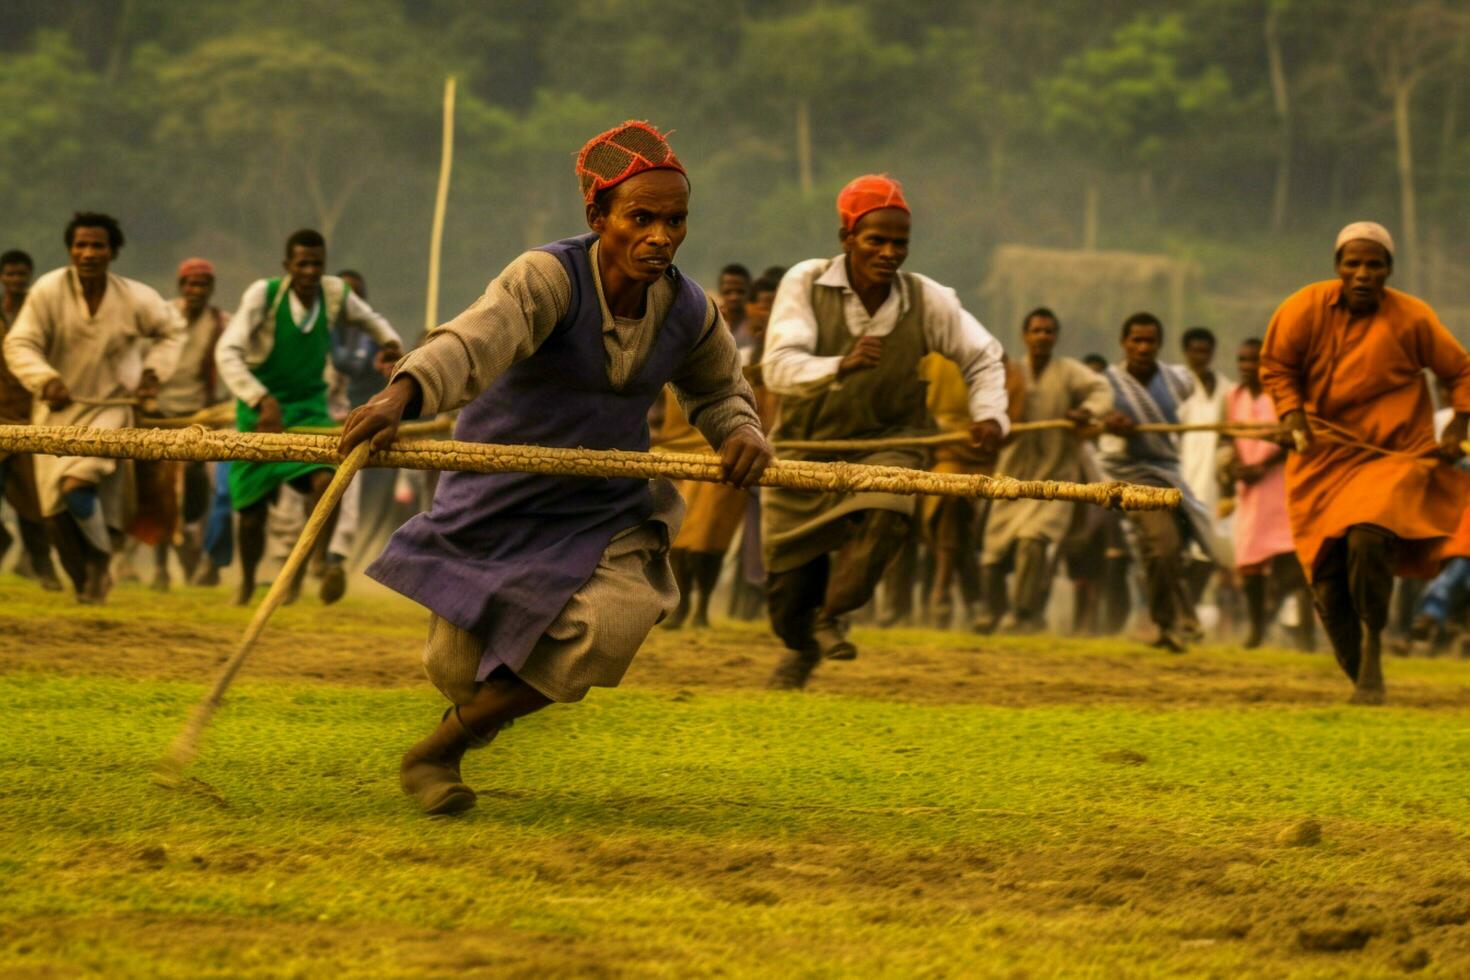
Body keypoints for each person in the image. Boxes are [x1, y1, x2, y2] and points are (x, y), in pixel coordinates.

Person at [339, 120, 770, 816]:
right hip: (496, 498)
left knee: (617, 622)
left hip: (604, 508)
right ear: (599, 218)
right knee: (456, 669)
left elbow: (719, 390)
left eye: (675, 220)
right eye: (642, 218)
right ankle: (469, 716)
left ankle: (439, 750)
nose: (661, 236)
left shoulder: (689, 310)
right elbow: (473, 341)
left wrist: (742, 433)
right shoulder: (546, 278)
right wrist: (401, 395)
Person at [760, 173, 1009, 688]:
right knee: (787, 596)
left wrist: (990, 416)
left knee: (889, 505)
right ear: (847, 238)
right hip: (806, 449)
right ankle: (803, 642)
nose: (890, 252)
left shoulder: (928, 299)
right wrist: (839, 366)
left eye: (900, 243)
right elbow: (779, 366)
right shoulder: (805, 283)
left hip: (891, 443)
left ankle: (833, 615)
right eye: (877, 240)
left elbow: (983, 356)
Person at [1261, 221, 1470, 703]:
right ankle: (1361, 675)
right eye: (1352, 264)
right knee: (1327, 579)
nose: (1362, 274)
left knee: (1368, 536)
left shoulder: (1414, 318)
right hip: (1322, 456)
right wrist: (1291, 415)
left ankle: (1375, 644)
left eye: (1373, 265)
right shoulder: (1303, 308)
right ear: (1338, 267)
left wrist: (1458, 428)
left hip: (1394, 455)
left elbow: (1460, 370)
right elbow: (1277, 367)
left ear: (1388, 271)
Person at [2, 213, 185, 602]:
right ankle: (86, 584)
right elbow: (20, 344)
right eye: (81, 245)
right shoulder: (48, 291)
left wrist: (153, 373)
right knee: (53, 512)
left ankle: (101, 562)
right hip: (54, 413)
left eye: (97, 245)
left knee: (76, 486)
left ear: (112, 251)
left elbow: (172, 330)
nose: (88, 253)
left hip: (110, 409)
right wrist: (45, 379)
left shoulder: (134, 296)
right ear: (70, 249)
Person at [216, 229, 402, 606]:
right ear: (288, 266)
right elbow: (226, 352)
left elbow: (372, 320)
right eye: (302, 263)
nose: (309, 271)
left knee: (324, 480)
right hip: (260, 411)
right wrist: (260, 398)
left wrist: (390, 344)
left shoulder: (334, 294)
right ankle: (249, 581)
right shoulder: (263, 295)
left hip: (309, 406)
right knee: (250, 514)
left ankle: (310, 567)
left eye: (316, 263)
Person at [979, 308, 1112, 633]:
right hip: (1011, 476)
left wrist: (1086, 412)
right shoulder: (1011, 372)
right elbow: (983, 400)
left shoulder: (1068, 372)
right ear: (1025, 335)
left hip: (1055, 478)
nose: (1042, 337)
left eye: (1049, 331)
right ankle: (990, 613)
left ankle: (1024, 614)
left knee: (1033, 540)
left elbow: (1102, 391)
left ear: (1056, 337)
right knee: (994, 549)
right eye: (1036, 331)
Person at [1098, 312, 1222, 651]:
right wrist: (1106, 420)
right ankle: (1180, 620)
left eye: (1149, 341)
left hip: (1171, 475)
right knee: (1164, 544)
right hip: (1130, 477)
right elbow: (1090, 418)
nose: (1142, 347)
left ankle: (1163, 626)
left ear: (1159, 344)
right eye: (1135, 340)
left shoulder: (1178, 380)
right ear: (1124, 343)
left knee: (1166, 553)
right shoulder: (1107, 383)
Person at [129, 257, 229, 591]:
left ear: (211, 289)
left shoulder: (221, 324)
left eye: (202, 284)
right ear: (181, 286)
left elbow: (230, 365)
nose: (196, 290)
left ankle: (189, 542)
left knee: (198, 485)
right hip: (158, 416)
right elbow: (138, 357)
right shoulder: (161, 318)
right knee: (159, 491)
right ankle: (160, 568)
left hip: (200, 419)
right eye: (190, 284)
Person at [1222, 338, 1312, 650]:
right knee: (1249, 561)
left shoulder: (1282, 396)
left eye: (1253, 361)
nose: (1247, 367)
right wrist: (1236, 465)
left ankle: (1303, 633)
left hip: (1281, 484)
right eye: (1242, 360)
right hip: (1250, 490)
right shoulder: (1233, 397)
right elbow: (1228, 436)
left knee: (1292, 561)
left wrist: (1263, 464)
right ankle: (1257, 627)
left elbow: (1296, 435)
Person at [0, 249, 62, 590]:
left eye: (22, 274)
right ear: (1, 277)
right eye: (9, 274)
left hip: (30, 419)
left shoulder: (38, 317)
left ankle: (44, 568)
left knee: (31, 502)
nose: (16, 280)